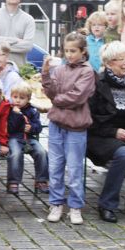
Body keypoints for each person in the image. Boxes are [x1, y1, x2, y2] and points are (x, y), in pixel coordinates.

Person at [86, 41, 125, 223]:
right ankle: (107, 204)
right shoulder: (97, 85)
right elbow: (90, 119)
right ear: (108, 63)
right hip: (101, 136)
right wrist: (115, 132)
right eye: (121, 59)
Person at [41, 32, 96, 225]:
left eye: (73, 51)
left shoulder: (87, 71)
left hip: (76, 126)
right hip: (56, 123)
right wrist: (46, 74)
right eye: (67, 51)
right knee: (55, 166)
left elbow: (77, 97)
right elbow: (50, 91)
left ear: (83, 51)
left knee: (74, 169)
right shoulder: (60, 69)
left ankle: (75, 206)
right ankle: (56, 203)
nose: (69, 54)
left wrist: (57, 100)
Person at [7, 83, 49, 195]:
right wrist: (16, 115)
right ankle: (13, 182)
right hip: (14, 138)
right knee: (16, 154)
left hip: (29, 139)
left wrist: (31, 128)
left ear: (28, 99)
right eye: (15, 97)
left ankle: (41, 180)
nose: (18, 100)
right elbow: (9, 128)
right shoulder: (9, 110)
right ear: (11, 96)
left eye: (22, 98)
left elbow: (38, 127)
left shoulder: (32, 111)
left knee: (42, 152)